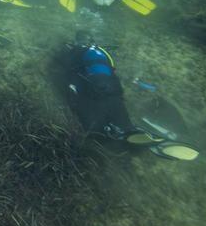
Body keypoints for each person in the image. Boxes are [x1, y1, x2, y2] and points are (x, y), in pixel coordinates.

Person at [62, 32, 198, 160]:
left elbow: (70, 71)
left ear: (78, 40)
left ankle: (113, 132)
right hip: (114, 87)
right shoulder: (101, 51)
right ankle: (149, 141)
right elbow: (112, 69)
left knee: (95, 129)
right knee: (122, 119)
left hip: (93, 85)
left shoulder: (77, 50)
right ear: (91, 39)